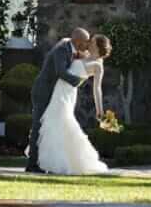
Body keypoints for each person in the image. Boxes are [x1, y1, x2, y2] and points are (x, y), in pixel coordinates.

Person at [28, 33, 112, 175]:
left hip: (67, 95)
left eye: (92, 42)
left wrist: (100, 111)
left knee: (63, 123)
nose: (88, 43)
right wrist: (66, 40)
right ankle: (47, 162)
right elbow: (67, 48)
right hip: (57, 91)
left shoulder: (98, 66)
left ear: (98, 46)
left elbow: (97, 89)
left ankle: (61, 163)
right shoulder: (84, 54)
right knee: (52, 125)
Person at [25, 27, 91, 173]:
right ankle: (32, 164)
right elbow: (61, 72)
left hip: (53, 94)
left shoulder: (70, 48)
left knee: (49, 127)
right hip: (43, 92)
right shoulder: (62, 50)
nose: (87, 44)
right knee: (38, 126)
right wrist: (79, 81)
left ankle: (44, 162)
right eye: (85, 41)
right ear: (78, 41)